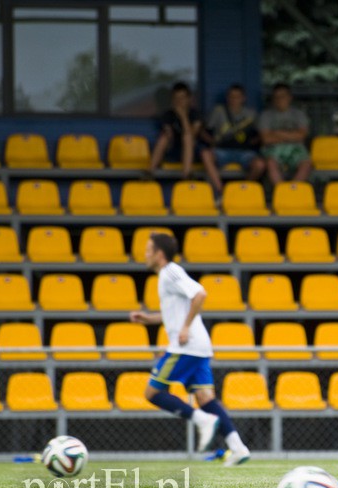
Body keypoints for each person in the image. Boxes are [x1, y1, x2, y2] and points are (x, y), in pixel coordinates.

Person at [129, 233, 251, 466]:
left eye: (147, 250)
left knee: (152, 393)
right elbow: (173, 314)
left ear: (159, 254)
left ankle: (201, 420)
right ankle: (238, 448)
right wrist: (148, 318)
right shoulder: (165, 276)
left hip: (186, 346)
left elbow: (200, 293)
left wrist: (184, 328)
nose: (144, 255)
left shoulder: (169, 271)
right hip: (198, 346)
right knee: (206, 398)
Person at [200, 83, 266, 196]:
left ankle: (241, 191)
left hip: (245, 152)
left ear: (243, 98)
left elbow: (261, 135)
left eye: (237, 96)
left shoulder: (251, 113)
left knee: (260, 165)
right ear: (227, 97)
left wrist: (251, 142)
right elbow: (202, 131)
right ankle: (221, 191)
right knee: (205, 154)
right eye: (231, 96)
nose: (234, 99)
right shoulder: (218, 111)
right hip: (222, 150)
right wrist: (213, 142)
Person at [257, 83, 312, 184]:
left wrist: (276, 133)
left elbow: (302, 136)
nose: (279, 99)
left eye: (282, 96)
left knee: (306, 163)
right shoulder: (266, 115)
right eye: (276, 97)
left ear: (289, 97)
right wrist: (292, 135)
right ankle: (281, 192)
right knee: (270, 163)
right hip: (273, 148)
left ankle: (293, 191)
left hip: (296, 148)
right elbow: (266, 139)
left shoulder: (298, 114)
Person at [149, 82, 204, 181]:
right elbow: (168, 136)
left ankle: (186, 175)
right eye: (176, 98)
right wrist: (169, 138)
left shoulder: (196, 114)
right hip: (174, 151)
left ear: (189, 99)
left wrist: (183, 117)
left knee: (187, 137)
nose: (179, 102)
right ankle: (150, 172)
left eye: (182, 98)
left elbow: (192, 136)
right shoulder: (168, 114)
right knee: (163, 137)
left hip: (193, 153)